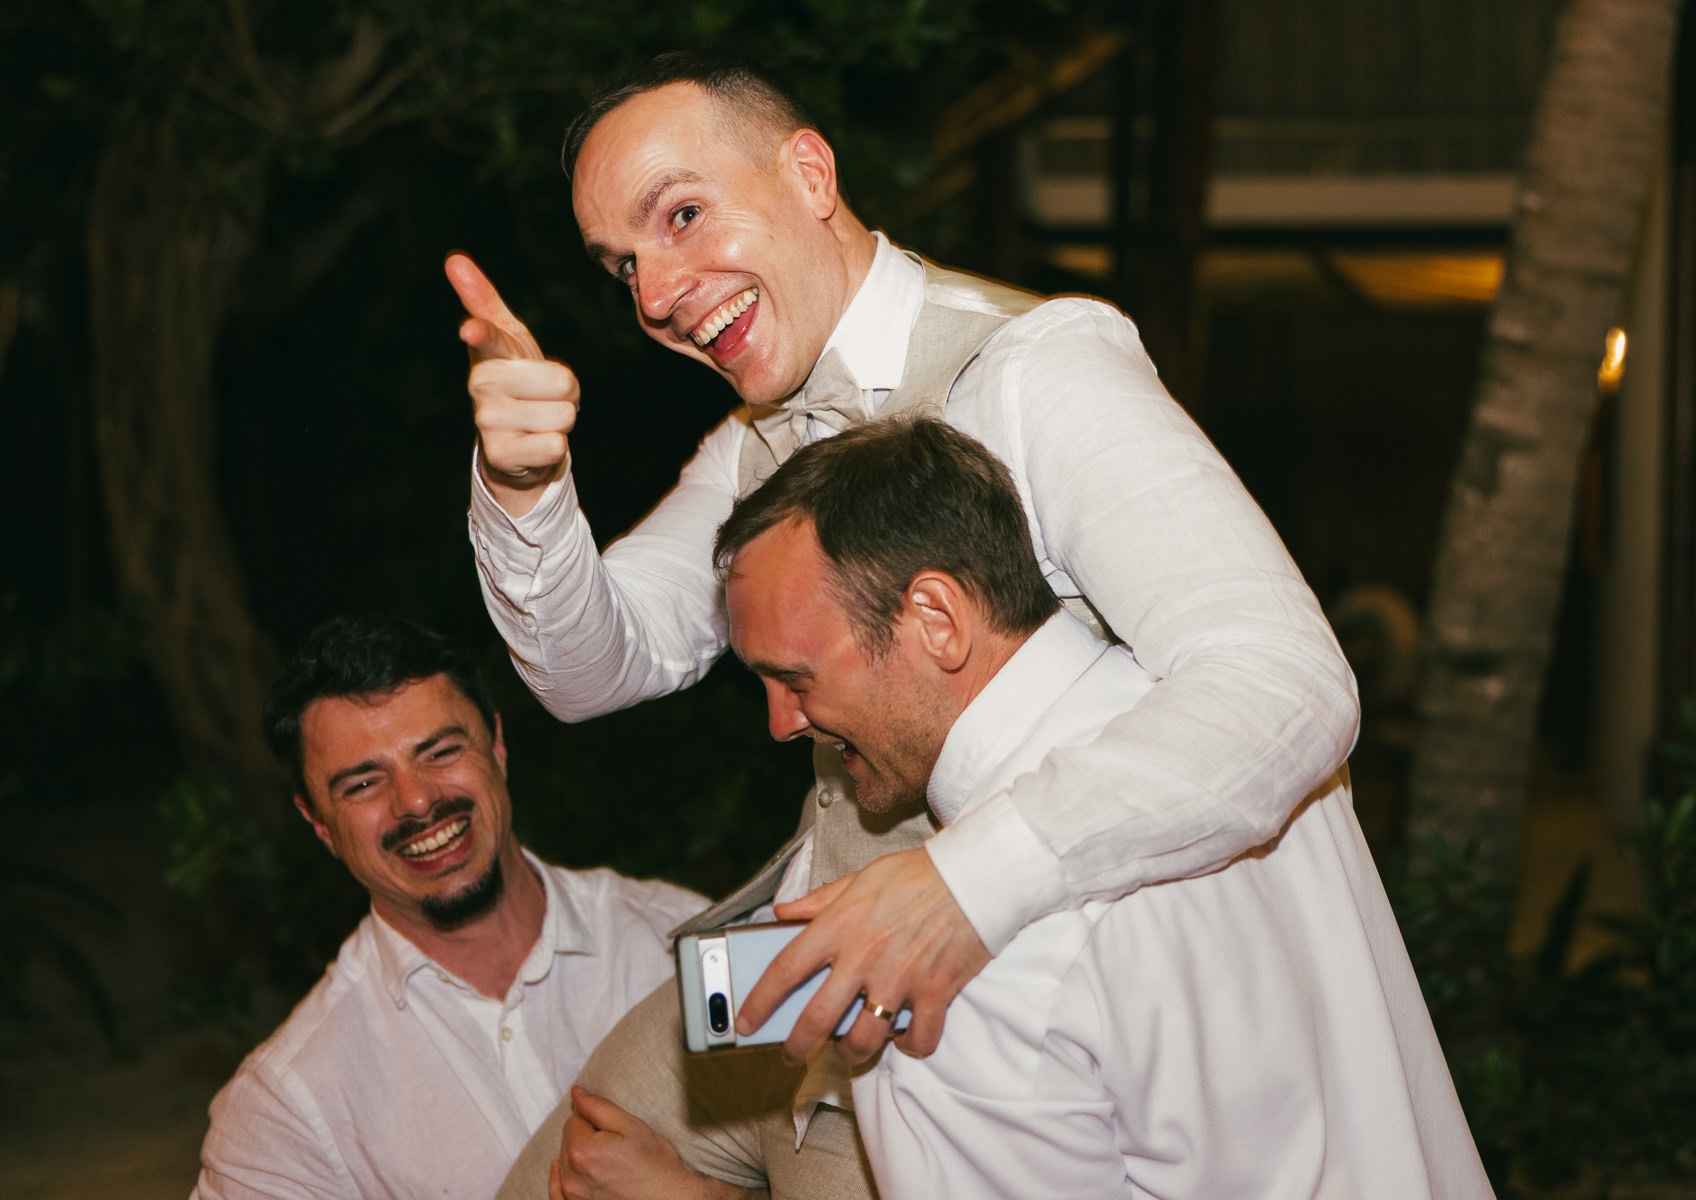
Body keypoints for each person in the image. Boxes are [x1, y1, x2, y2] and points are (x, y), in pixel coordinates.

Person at [453, 52, 1358, 1198]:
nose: (657, 293)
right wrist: (525, 488)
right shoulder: (750, 444)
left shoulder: (1039, 373)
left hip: (985, 1025)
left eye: (681, 216)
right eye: (623, 264)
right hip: (796, 965)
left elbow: (1286, 684)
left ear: (809, 173)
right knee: (553, 1177)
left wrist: (958, 887)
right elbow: (590, 671)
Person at [714, 416, 1494, 1199]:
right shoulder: (1252, 748)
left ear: (937, 620)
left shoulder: (940, 968)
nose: (781, 723)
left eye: (796, 679)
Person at [190, 614, 722, 1200]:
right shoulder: (285, 1114)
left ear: (496, 744)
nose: (417, 801)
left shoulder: (682, 946)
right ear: (317, 822)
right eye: (362, 784)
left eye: (440, 751)